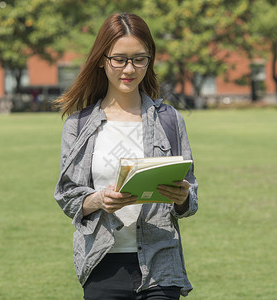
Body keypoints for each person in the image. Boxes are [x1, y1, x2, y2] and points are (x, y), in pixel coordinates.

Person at [53, 13, 198, 299]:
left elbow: (191, 198)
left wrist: (182, 198)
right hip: (102, 263)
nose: (129, 69)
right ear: (101, 59)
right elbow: (67, 196)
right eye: (119, 59)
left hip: (161, 263)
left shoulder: (170, 120)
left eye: (139, 59)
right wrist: (98, 200)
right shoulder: (78, 125)